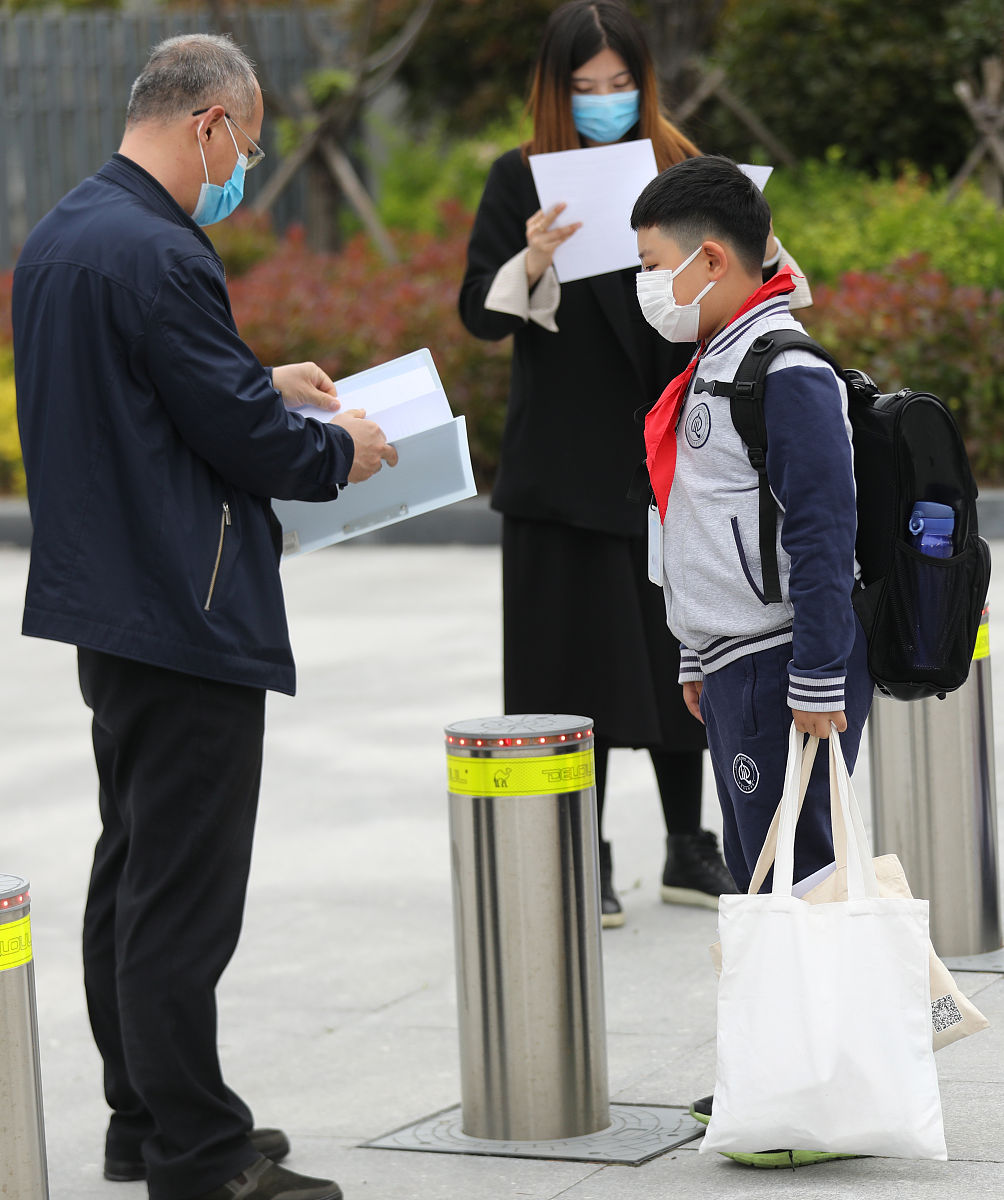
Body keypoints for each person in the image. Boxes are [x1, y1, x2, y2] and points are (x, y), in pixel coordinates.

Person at [13, 34, 397, 1200]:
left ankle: (142, 1120)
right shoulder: (164, 251)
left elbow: (148, 397)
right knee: (182, 892)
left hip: (112, 604)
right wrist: (338, 449)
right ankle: (198, 1154)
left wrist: (256, 380)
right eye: (249, 145)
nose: (244, 169)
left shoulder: (65, 234)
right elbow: (242, 441)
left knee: (134, 864)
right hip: (187, 602)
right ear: (209, 126)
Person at [459, 0, 809, 926]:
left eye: (621, 83)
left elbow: (755, 278)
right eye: (586, 86)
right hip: (562, 465)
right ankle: (588, 850)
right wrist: (533, 259)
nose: (605, 100)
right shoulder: (521, 177)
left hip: (672, 451)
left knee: (678, 651)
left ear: (644, 82)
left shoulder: (683, 166)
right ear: (556, 88)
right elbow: (478, 312)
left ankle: (690, 844)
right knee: (569, 665)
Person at [630, 154, 874, 1163]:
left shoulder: (785, 370)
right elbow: (696, 521)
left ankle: (808, 1100)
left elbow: (821, 532)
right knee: (758, 878)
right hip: (735, 661)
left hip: (783, 665)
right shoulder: (714, 362)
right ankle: (771, 1076)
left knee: (797, 878)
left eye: (653, 265)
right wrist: (694, 653)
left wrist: (816, 674)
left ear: (712, 261)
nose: (645, 285)